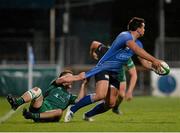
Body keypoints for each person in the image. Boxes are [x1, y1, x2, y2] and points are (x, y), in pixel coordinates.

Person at [60, 17, 162, 122]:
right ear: (138, 29)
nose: (144, 30)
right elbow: (135, 49)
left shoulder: (139, 44)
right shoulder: (124, 36)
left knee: (111, 103)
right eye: (143, 27)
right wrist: (154, 59)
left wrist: (155, 68)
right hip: (104, 68)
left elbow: (144, 62)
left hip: (115, 73)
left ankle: (87, 115)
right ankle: (72, 109)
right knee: (100, 95)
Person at [6, 70, 87, 122]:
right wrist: (78, 77)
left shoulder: (70, 96)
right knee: (37, 89)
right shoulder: (55, 84)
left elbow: (80, 100)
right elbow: (63, 79)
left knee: (59, 111)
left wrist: (83, 84)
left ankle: (32, 116)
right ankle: (17, 103)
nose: (71, 80)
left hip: (51, 116)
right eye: (69, 77)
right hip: (40, 106)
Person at [89, 41, 137, 115]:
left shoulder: (126, 57)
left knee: (121, 95)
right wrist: (92, 53)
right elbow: (94, 43)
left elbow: (134, 74)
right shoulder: (107, 50)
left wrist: (130, 91)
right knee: (104, 97)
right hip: (105, 73)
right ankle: (90, 112)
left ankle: (115, 108)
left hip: (119, 76)